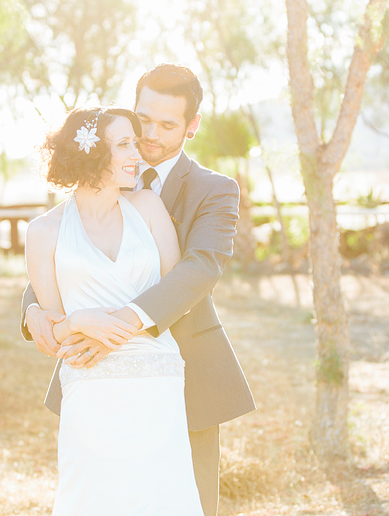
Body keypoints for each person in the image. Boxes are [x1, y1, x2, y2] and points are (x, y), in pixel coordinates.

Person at [22, 64, 256, 516]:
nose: (149, 134)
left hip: (180, 371)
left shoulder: (214, 190)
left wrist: (117, 323)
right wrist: (35, 311)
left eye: (167, 125)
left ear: (192, 126)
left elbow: (199, 269)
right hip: (93, 373)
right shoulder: (98, 171)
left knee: (185, 502)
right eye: (142, 119)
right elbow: (60, 257)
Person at [25, 106, 203, 514]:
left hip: (157, 379)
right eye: (124, 144)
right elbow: (52, 334)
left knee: (162, 497)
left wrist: (116, 326)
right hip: (89, 384)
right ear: (91, 152)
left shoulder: (147, 208)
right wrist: (77, 321)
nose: (136, 154)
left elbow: (174, 294)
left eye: (134, 143)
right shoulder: (44, 232)